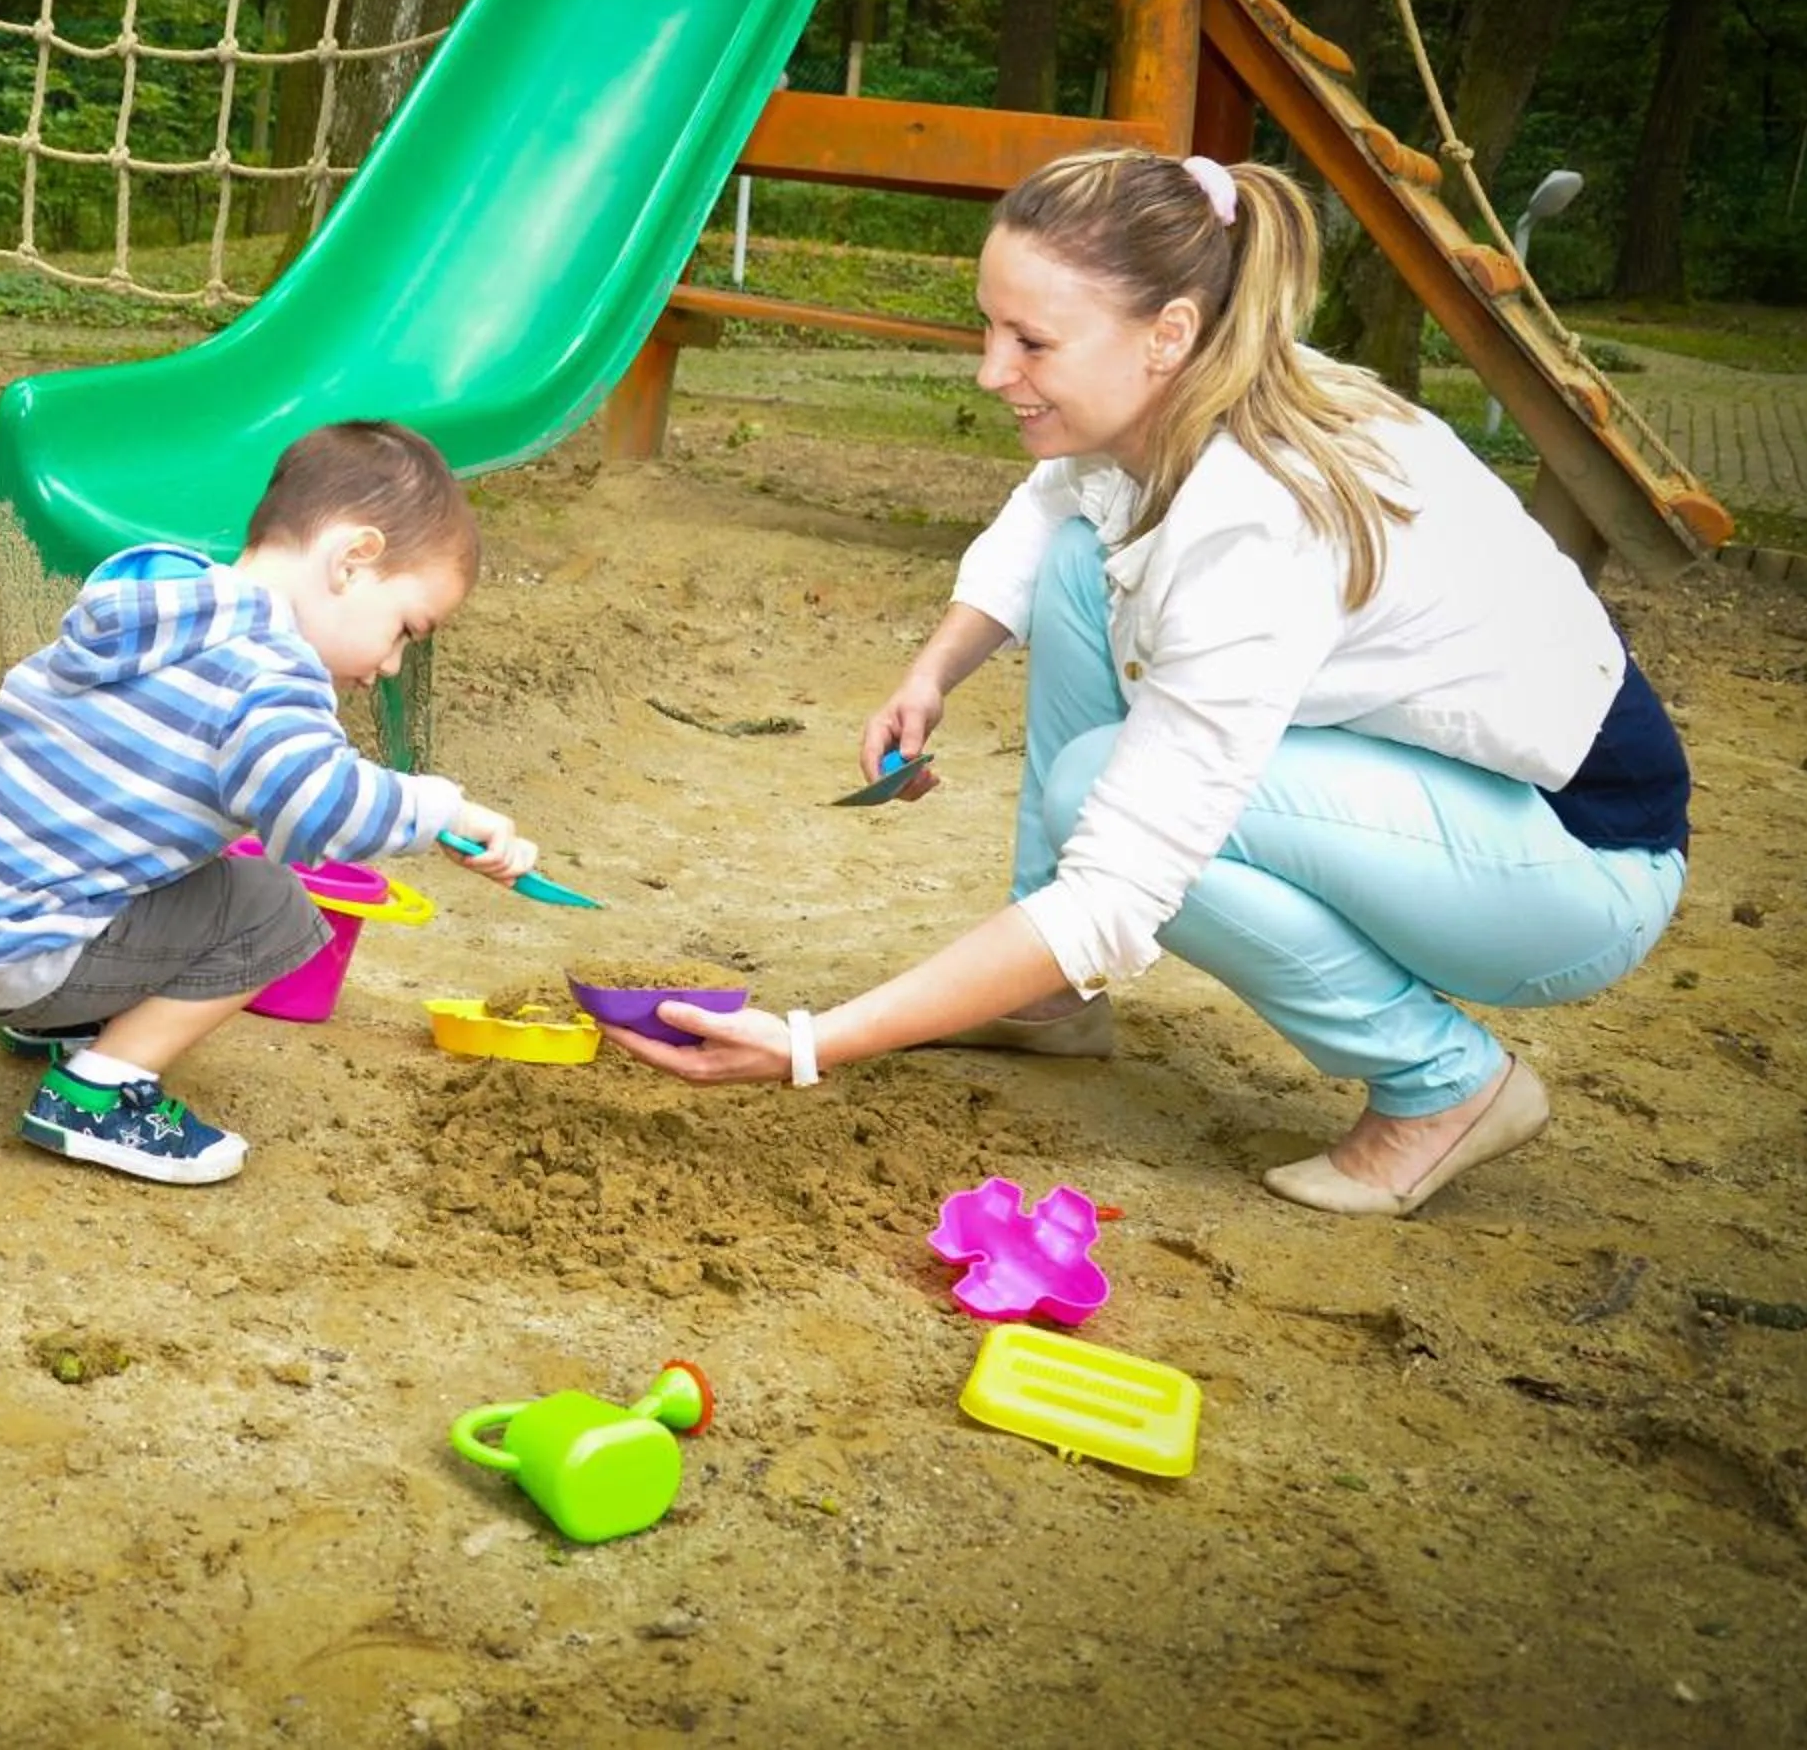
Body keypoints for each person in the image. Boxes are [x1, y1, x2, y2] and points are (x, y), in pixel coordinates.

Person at [607, 148, 1690, 1219]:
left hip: (1571, 869)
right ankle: (1045, 1002)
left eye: (1031, 341)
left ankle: (1446, 1084)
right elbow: (1046, 512)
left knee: (1099, 795)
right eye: (991, 327)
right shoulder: (1178, 398)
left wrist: (810, 1043)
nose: (991, 370)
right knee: (1086, 556)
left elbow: (1125, 884)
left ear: (1168, 332)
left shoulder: (1255, 523)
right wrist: (933, 671)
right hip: (1444, 796)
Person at [0, 420, 539, 1186]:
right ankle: (97, 1094)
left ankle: (62, 1024)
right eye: (405, 629)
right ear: (354, 560)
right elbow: (317, 809)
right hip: (20, 952)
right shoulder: (271, 665)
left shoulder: (164, 602)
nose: (389, 667)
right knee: (272, 907)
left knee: (180, 850)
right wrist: (444, 810)